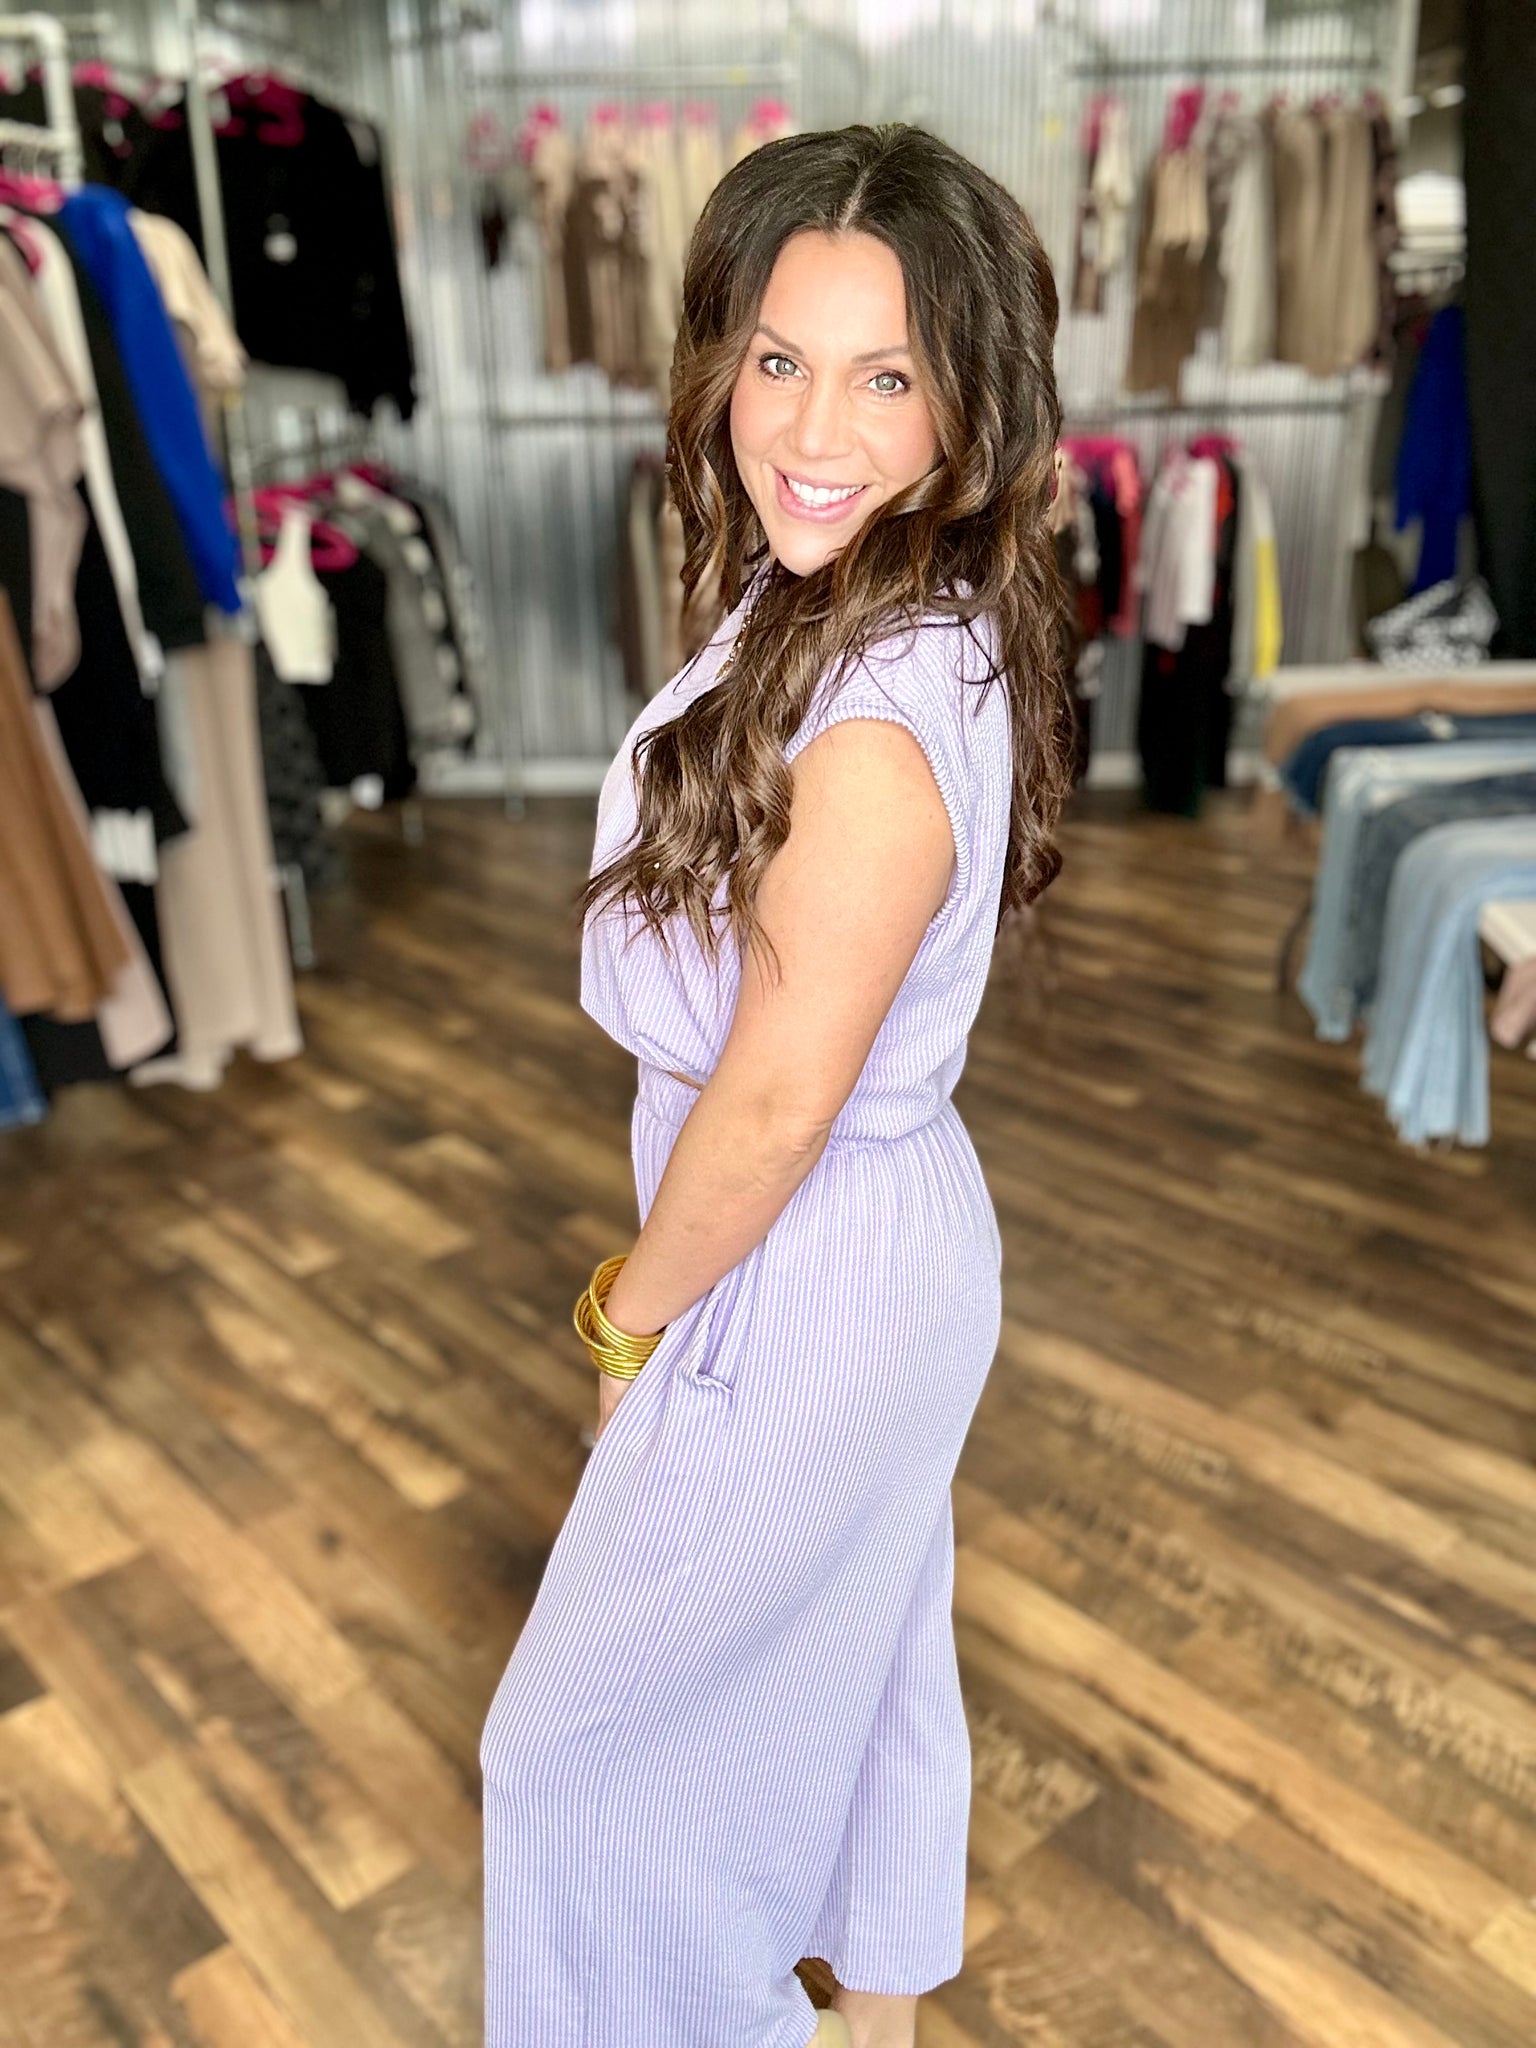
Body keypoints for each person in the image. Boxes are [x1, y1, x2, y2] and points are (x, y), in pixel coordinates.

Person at [480, 122, 1075, 2048]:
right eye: (780, 360)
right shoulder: (869, 597)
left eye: (886, 377)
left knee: (576, 1766)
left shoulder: (875, 721)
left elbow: (774, 1106)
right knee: (872, 1652)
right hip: (866, 1247)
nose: (814, 428)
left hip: (800, 1263)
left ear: (970, 407)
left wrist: (626, 1317)